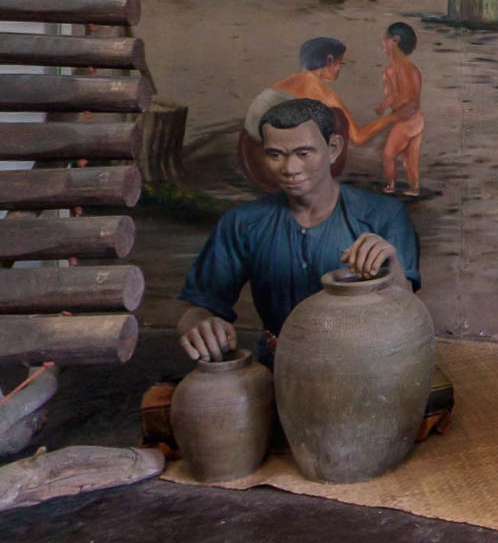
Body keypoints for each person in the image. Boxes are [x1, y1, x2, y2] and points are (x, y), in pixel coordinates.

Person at [176, 97, 447, 431]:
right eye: (275, 155)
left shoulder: (383, 216)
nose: (290, 168)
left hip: (366, 372)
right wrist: (200, 325)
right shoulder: (243, 223)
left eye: (304, 153)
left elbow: (406, 310)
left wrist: (392, 266)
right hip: (277, 370)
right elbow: (198, 308)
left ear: (333, 149)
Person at [378, 22, 425, 198]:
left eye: (385, 38)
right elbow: (411, 95)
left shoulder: (393, 70)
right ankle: (414, 188)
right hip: (417, 119)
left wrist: (386, 108)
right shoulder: (414, 69)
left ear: (395, 41)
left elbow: (401, 96)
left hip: (405, 120)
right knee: (411, 157)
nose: (382, 41)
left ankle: (390, 185)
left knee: (388, 154)